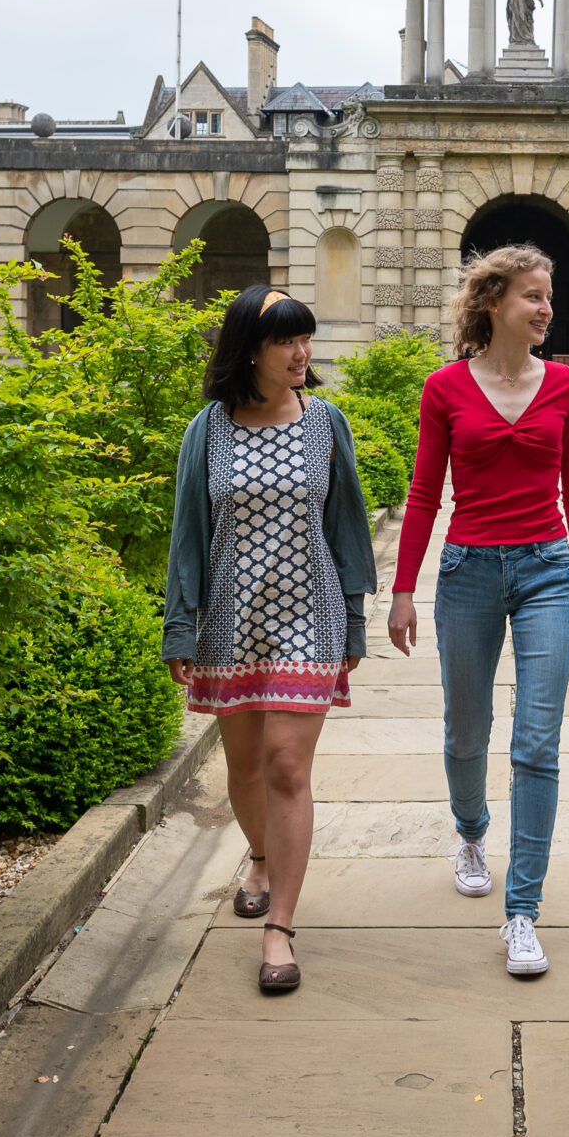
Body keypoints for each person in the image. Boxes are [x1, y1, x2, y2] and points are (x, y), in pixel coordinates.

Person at [388, 245, 569, 976]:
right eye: (533, 296)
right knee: (465, 731)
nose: (546, 308)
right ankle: (471, 829)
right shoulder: (444, 388)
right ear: (493, 303)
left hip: (547, 567)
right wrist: (403, 588)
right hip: (468, 570)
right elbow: (422, 492)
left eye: (549, 297)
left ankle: (522, 912)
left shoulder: (566, 386)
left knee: (537, 743)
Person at [163, 285, 378, 994]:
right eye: (288, 340)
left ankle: (279, 925)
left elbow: (345, 523)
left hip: (307, 614)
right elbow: (188, 533)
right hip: (230, 618)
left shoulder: (326, 424)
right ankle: (260, 854)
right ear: (249, 350)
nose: (302, 352)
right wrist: (179, 623)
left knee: (288, 765)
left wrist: (352, 617)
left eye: (305, 338)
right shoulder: (209, 429)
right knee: (247, 768)